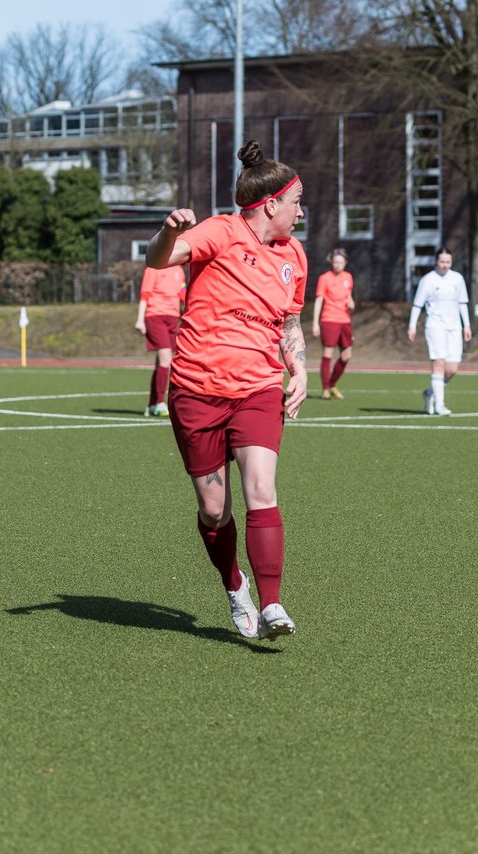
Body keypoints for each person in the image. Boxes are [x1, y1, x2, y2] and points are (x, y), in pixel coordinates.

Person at [145, 140, 307, 641]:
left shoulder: (294, 256)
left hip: (258, 388)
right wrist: (169, 230)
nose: (303, 210)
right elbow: (160, 259)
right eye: (297, 201)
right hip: (196, 389)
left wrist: (298, 369)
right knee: (214, 510)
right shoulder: (220, 230)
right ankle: (235, 586)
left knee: (262, 489)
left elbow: (291, 323)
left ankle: (273, 604)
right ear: (271, 204)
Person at [408, 248, 471, 416]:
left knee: (452, 369)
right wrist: (412, 325)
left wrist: (467, 325)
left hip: (454, 326)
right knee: (439, 363)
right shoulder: (428, 280)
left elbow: (462, 302)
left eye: (448, 262)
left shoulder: (457, 279)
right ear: (436, 261)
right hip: (435, 325)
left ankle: (430, 393)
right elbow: (417, 304)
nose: (444, 265)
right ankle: (440, 406)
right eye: (442, 262)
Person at [134, 264, 187, 416]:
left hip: (172, 318)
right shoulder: (153, 268)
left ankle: (151, 404)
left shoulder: (178, 270)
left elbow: (183, 293)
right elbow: (145, 294)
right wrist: (140, 320)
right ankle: (160, 403)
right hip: (155, 317)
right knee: (166, 361)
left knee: (162, 363)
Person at [312, 247, 355, 399]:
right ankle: (325, 388)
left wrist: (351, 301)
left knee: (346, 355)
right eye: (335, 262)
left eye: (341, 262)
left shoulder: (348, 277)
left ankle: (332, 383)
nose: (338, 265)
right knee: (328, 353)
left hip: (345, 321)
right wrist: (315, 323)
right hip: (329, 319)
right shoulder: (324, 278)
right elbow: (319, 300)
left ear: (345, 263)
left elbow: (348, 295)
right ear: (331, 262)